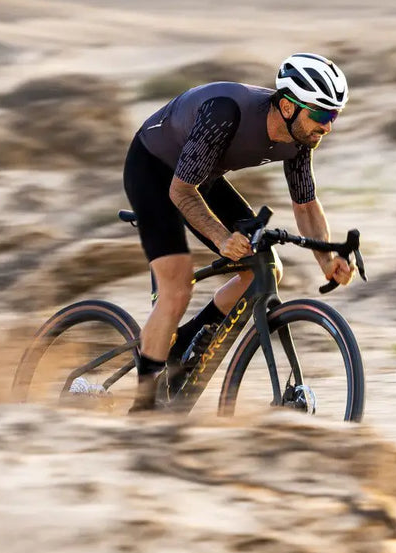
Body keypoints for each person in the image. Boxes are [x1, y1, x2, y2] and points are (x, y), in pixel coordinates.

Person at [122, 52, 356, 413]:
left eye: (334, 116)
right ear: (290, 107)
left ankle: (185, 342)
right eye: (322, 115)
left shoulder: (298, 140)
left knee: (265, 267)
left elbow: (306, 204)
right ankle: (142, 407)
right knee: (177, 288)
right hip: (153, 170)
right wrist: (220, 238)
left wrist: (326, 259)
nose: (328, 127)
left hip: (201, 174)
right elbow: (180, 191)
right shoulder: (226, 112)